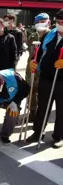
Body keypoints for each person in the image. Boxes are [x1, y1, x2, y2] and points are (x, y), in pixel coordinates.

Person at [26, 9, 63, 149]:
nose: (60, 25)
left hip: (62, 81)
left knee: (61, 109)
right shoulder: (49, 35)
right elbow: (40, 52)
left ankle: (59, 136)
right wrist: (33, 62)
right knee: (42, 107)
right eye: (58, 22)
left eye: (62, 22)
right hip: (46, 77)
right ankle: (37, 132)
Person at [0, 70, 30, 145]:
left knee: (12, 114)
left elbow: (26, 89)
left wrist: (15, 102)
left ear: (2, 83)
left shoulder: (15, 78)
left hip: (13, 98)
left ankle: (5, 135)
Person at [25, 13, 51, 122]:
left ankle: (41, 117)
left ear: (48, 22)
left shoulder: (53, 36)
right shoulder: (32, 36)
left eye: (43, 21)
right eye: (39, 21)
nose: (41, 23)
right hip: (31, 69)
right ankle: (32, 113)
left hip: (44, 70)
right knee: (30, 93)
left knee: (43, 95)